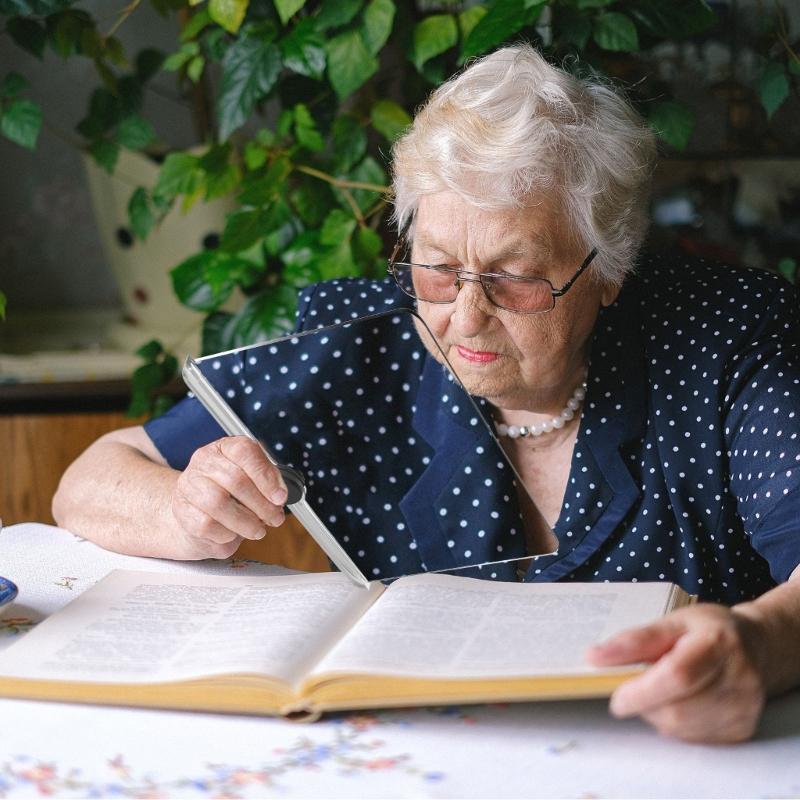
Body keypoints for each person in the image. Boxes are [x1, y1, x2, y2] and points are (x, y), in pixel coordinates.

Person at [53, 44, 800, 744]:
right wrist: (183, 513)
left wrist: (764, 641)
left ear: (607, 271)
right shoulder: (361, 343)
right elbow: (92, 478)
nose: (465, 317)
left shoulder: (726, 338)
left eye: (514, 278)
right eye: (438, 268)